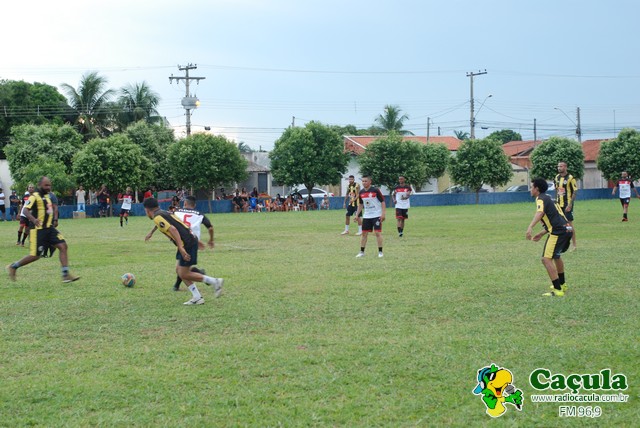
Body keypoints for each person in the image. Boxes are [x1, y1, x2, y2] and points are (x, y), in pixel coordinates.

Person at [142, 197, 223, 305]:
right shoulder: (163, 213)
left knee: (183, 273)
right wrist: (151, 232)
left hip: (187, 243)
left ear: (147, 210)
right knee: (179, 271)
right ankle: (197, 297)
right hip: (189, 240)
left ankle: (215, 282)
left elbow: (173, 229)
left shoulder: (157, 217)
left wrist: (181, 247)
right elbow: (174, 223)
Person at [6, 176, 80, 283]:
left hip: (49, 228)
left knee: (63, 246)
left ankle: (65, 274)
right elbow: (26, 210)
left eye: (49, 185)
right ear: (40, 185)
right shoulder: (34, 197)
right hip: (38, 230)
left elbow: (50, 210)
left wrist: (54, 219)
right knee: (35, 255)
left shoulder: (48, 196)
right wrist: (34, 219)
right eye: (46, 185)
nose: (48, 187)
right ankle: (13, 266)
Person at [526, 178, 573, 297]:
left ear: (537, 189)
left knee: (546, 259)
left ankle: (558, 290)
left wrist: (530, 227)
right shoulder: (550, 198)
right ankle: (562, 284)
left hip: (558, 232)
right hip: (567, 229)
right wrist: (542, 233)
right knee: (556, 256)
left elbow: (540, 213)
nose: (530, 189)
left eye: (531, 187)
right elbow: (556, 218)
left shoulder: (540, 198)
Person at [354, 176, 386, 258]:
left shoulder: (375, 190)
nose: (364, 182)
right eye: (363, 181)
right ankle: (361, 252)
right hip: (367, 216)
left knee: (377, 233)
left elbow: (382, 202)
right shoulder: (361, 192)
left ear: (370, 182)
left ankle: (380, 252)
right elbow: (361, 204)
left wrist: (383, 214)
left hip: (376, 215)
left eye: (366, 181)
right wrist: (357, 215)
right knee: (364, 233)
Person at [554, 162, 578, 251]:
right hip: (559, 204)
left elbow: (575, 191)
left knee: (569, 225)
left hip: (567, 204)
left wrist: (570, 204)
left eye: (560, 166)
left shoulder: (570, 178)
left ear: (565, 167)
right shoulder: (557, 177)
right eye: (558, 166)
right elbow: (557, 190)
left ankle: (574, 244)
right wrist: (556, 201)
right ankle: (561, 243)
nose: (559, 168)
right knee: (559, 224)